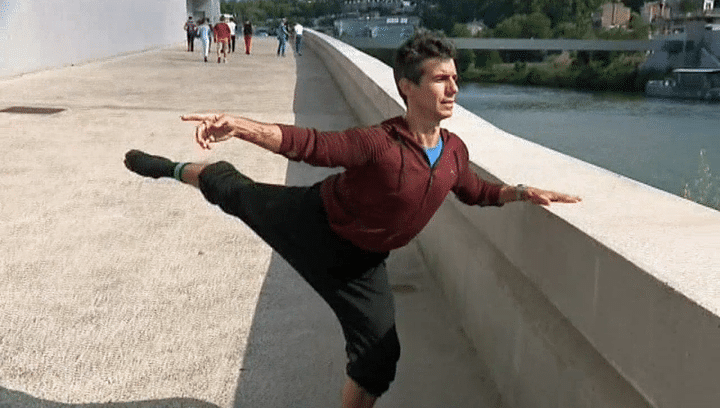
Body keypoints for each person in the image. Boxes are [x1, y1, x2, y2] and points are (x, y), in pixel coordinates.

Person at [123, 29, 581, 408]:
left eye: (455, 78)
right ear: (407, 86)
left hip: (361, 265)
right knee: (234, 191)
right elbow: (311, 145)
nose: (454, 88)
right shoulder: (379, 143)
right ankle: (173, 168)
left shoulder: (455, 152)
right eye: (442, 79)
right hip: (312, 222)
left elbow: (475, 192)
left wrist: (521, 192)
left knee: (379, 360)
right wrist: (240, 125)